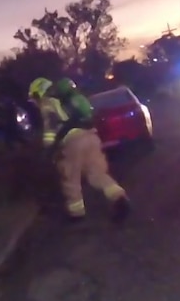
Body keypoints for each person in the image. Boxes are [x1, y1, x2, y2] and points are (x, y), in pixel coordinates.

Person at [29, 77, 130, 222]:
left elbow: (50, 127)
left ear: (39, 93)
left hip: (72, 142)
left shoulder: (47, 104)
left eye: (34, 97)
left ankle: (76, 214)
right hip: (91, 136)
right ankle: (119, 198)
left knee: (70, 178)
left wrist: (48, 148)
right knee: (97, 174)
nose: (34, 101)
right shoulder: (66, 99)